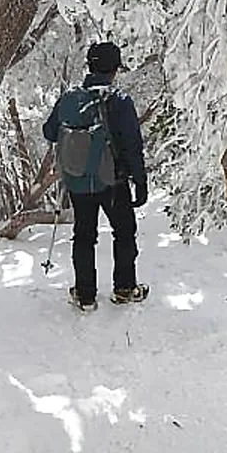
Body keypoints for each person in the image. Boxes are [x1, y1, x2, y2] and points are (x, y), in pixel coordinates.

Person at [43, 41, 149, 311]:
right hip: (112, 181)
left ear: (89, 66)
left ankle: (85, 294)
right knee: (124, 232)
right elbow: (133, 145)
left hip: (78, 181)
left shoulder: (69, 98)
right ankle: (124, 288)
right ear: (114, 69)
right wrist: (140, 181)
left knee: (83, 235)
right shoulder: (120, 102)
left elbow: (49, 132)